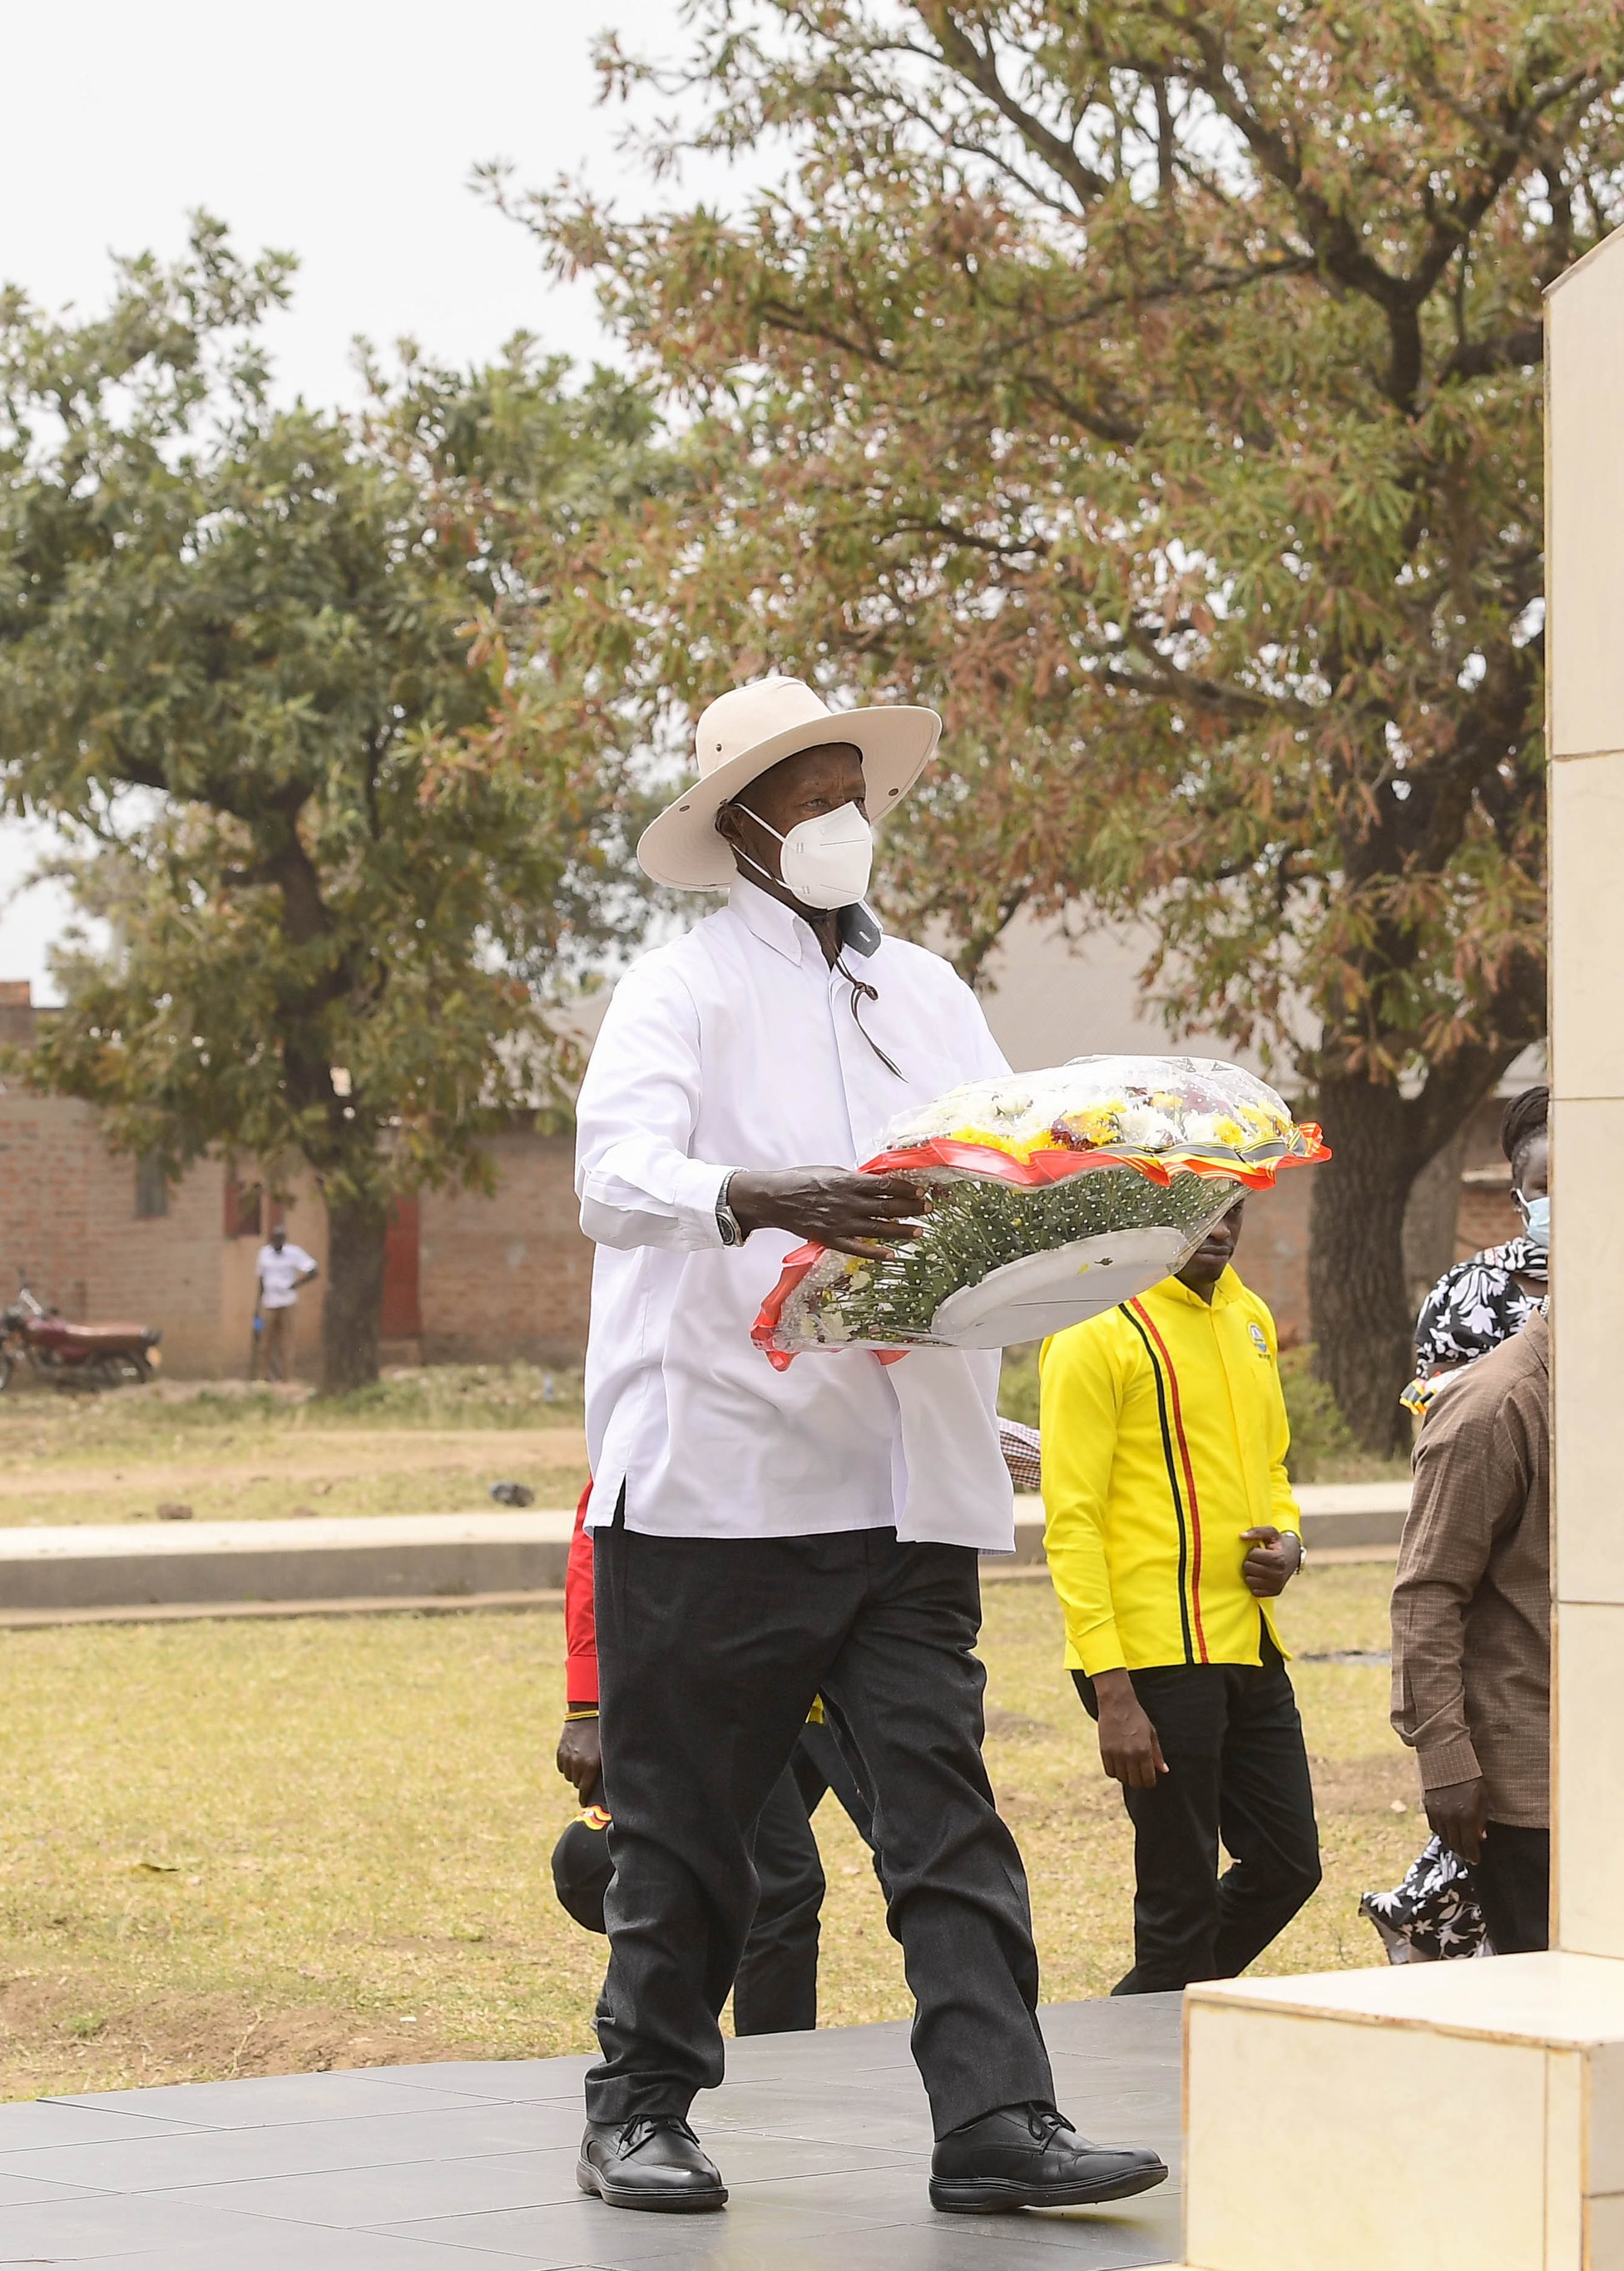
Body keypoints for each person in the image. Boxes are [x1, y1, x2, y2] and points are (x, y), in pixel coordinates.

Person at [567, 674, 1165, 2218]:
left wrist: (1060, 1254)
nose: (843, 818)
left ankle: (996, 2122)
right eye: (810, 792)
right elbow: (614, 1177)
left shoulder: (934, 994)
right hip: (723, 1481)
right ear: (743, 825)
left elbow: (978, 1187)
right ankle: (638, 2105)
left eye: (856, 791)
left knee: (942, 1809)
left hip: (909, 1482)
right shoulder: (678, 989)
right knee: (695, 1831)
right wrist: (769, 1193)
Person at [1037, 1200, 1320, 1992]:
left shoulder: (1250, 1316)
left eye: (1234, 1210)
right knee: (1178, 1903)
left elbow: (1272, 1467)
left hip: (1250, 1645)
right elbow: (1073, 1521)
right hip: (1151, 1661)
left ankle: (1145, 2017)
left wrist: (1291, 1541)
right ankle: (1153, 2083)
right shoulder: (1096, 1329)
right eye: (1198, 1214)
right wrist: (1112, 1693)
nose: (1221, 1229)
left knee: (1289, 1864)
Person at [551, 1482, 874, 2034]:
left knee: (918, 1854)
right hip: (730, 1667)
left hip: (839, 1659)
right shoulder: (683, 1403)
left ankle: (978, 2062)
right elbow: (597, 1532)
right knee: (777, 1883)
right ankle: (681, 2054)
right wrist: (586, 1704)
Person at [1393, 1304, 1552, 1955]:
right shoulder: (1493, 1407)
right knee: (1550, 1995)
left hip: (1622, 1767)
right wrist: (1447, 1763)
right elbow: (1427, 1596)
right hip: (1529, 1777)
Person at [1403, 1086, 1548, 1419]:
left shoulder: (1619, 1280)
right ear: (1518, 1199)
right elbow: (1445, 1408)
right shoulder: (1476, 1286)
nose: (1561, 1196)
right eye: (1545, 1187)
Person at [252, 1222, 318, 1382]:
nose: (278, 1242)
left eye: (281, 1239)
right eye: (275, 1239)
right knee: (264, 1342)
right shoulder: (264, 1254)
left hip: (288, 1303)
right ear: (271, 1239)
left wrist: (296, 1285)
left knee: (286, 1342)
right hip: (269, 1303)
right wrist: (257, 1307)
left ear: (285, 1239)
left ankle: (286, 1379)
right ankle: (262, 1377)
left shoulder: (294, 1253)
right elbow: (261, 1281)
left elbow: (314, 1272)